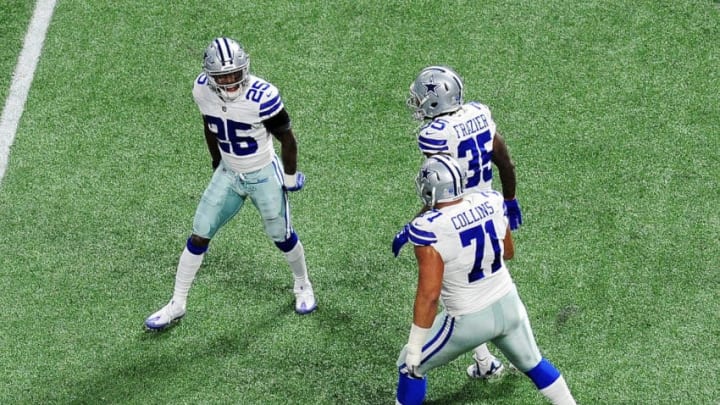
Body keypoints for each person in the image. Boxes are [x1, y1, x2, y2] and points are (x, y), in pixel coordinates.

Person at [145, 37, 317, 330]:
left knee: (281, 235)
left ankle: (303, 284)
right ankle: (177, 303)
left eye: (234, 74)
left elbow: (287, 139)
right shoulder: (202, 89)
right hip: (229, 171)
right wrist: (216, 162)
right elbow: (209, 126)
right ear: (210, 76)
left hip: (262, 172)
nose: (229, 81)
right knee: (199, 233)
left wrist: (289, 179)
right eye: (222, 76)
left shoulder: (263, 96)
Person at [394, 154, 576, 405]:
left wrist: (415, 347)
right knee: (535, 365)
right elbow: (508, 252)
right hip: (508, 304)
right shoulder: (490, 201)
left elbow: (429, 295)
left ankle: (477, 361)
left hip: (468, 318)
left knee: (408, 366)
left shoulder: (429, 229)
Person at [393, 65, 523, 378]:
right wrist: (509, 199)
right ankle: (490, 360)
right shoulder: (479, 114)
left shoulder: (434, 135)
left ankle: (496, 357)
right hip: (488, 209)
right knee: (485, 283)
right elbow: (504, 160)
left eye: (421, 97)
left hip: (455, 214)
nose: (417, 103)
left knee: (460, 291)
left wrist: (414, 226)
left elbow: (437, 190)